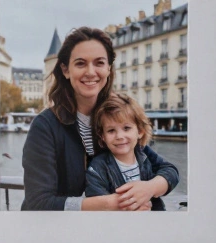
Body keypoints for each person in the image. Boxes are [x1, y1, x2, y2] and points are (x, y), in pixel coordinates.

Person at [21, 27, 171, 211]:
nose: (91, 72)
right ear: (66, 70)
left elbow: (168, 170)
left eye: (99, 63)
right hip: (62, 233)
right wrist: (115, 203)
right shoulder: (45, 126)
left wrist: (149, 188)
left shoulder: (116, 119)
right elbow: (38, 203)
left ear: (108, 69)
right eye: (81, 63)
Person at [84, 93, 178, 211]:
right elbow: (97, 202)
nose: (119, 136)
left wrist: (150, 188)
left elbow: (171, 172)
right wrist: (130, 207)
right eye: (111, 130)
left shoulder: (144, 152)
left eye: (126, 128)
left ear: (140, 131)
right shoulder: (97, 168)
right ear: (102, 136)